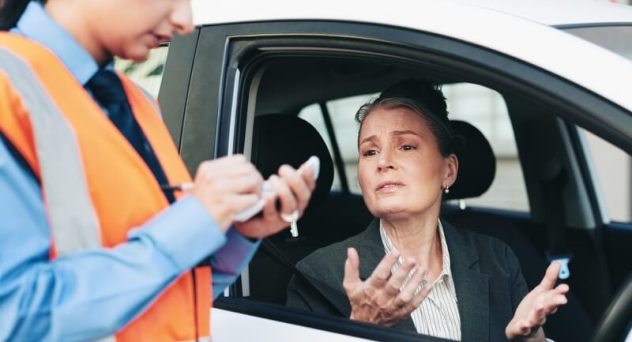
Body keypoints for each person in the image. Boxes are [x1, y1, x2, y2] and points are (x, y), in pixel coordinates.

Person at [0, 0, 316, 340]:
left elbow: (158, 295)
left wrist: (237, 235)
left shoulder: (138, 103)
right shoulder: (8, 90)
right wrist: (195, 220)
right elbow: (14, 316)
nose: (185, 22)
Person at [286, 79, 568, 341]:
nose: (382, 162)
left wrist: (531, 339)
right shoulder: (318, 276)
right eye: (369, 152)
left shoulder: (497, 260)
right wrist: (363, 328)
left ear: (448, 170)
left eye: (406, 146)